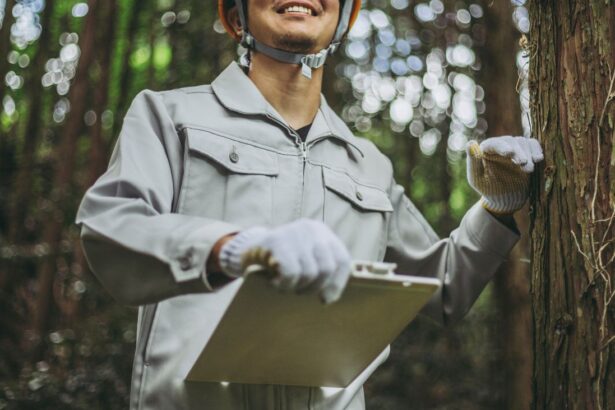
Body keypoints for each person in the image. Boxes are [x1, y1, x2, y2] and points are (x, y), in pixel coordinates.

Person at [76, 0, 544, 408]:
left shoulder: (369, 165)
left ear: (343, 15)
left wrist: (497, 206)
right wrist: (231, 247)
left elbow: (443, 287)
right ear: (237, 14)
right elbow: (109, 225)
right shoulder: (169, 117)